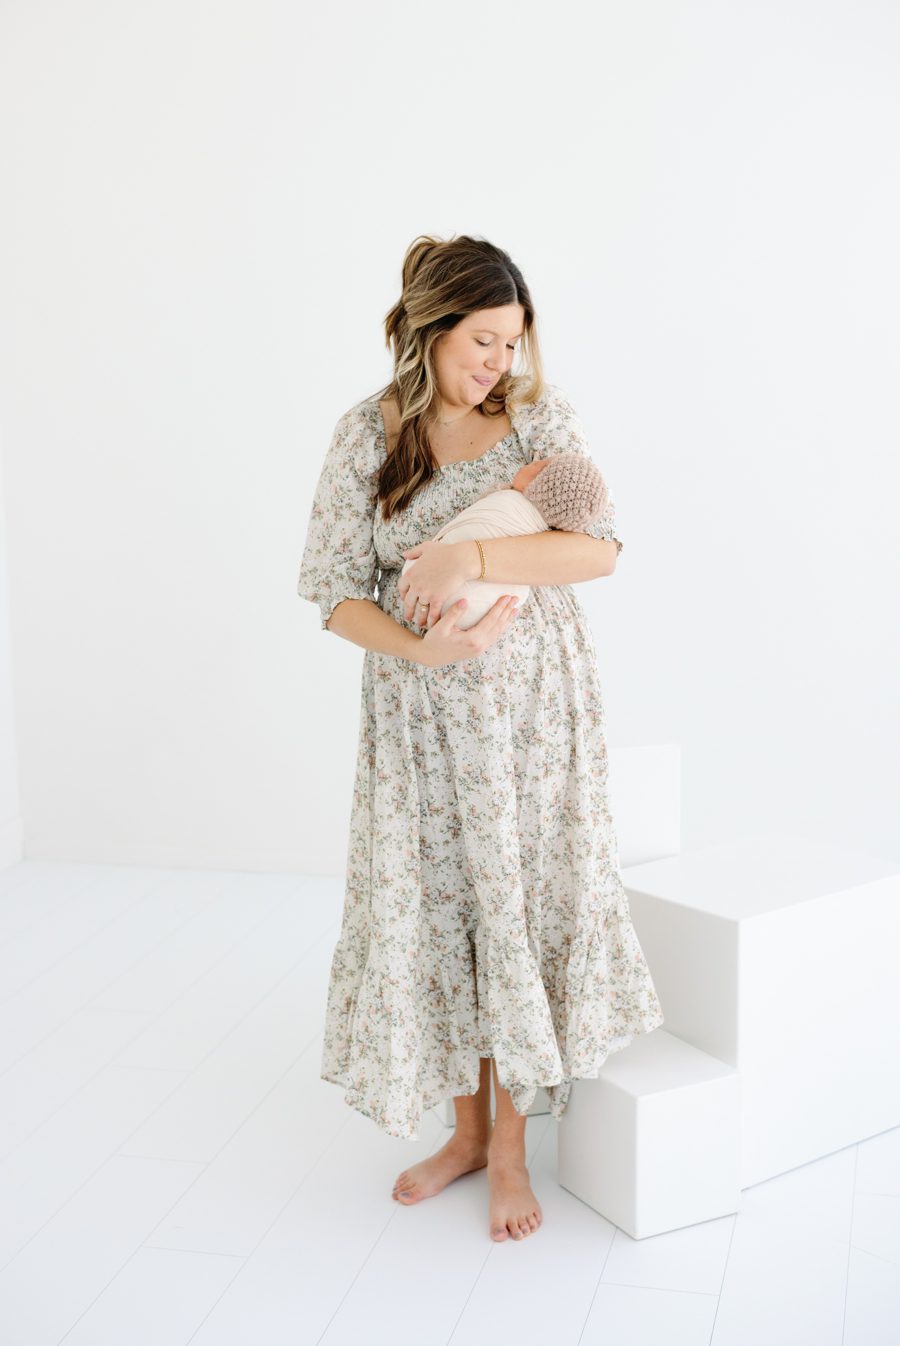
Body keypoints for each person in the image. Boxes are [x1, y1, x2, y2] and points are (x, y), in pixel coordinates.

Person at [296, 233, 665, 1243]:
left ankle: (510, 1151)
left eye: (513, 341)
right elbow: (332, 592)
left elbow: (599, 548)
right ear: (429, 331)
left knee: (514, 906)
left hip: (530, 719)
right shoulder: (366, 434)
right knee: (441, 911)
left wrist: (471, 556)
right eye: (482, 341)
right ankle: (463, 1136)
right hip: (418, 722)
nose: (500, 362)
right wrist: (422, 652)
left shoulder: (538, 418)